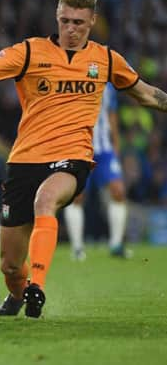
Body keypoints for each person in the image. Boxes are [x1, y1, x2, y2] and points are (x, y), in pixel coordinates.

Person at [0, 0, 167, 318]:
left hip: (72, 157)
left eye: (79, 22)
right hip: (24, 160)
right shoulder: (29, 52)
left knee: (45, 201)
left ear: (92, 20)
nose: (71, 29)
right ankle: (20, 292)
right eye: (65, 21)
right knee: (8, 266)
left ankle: (37, 286)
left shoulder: (107, 59)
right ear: (56, 16)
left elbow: (148, 95)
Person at [64, 82, 132, 261]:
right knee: (77, 196)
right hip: (78, 148)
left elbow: (112, 114)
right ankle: (77, 248)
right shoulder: (72, 81)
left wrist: (116, 146)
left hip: (104, 150)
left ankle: (116, 245)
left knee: (118, 191)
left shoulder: (108, 86)